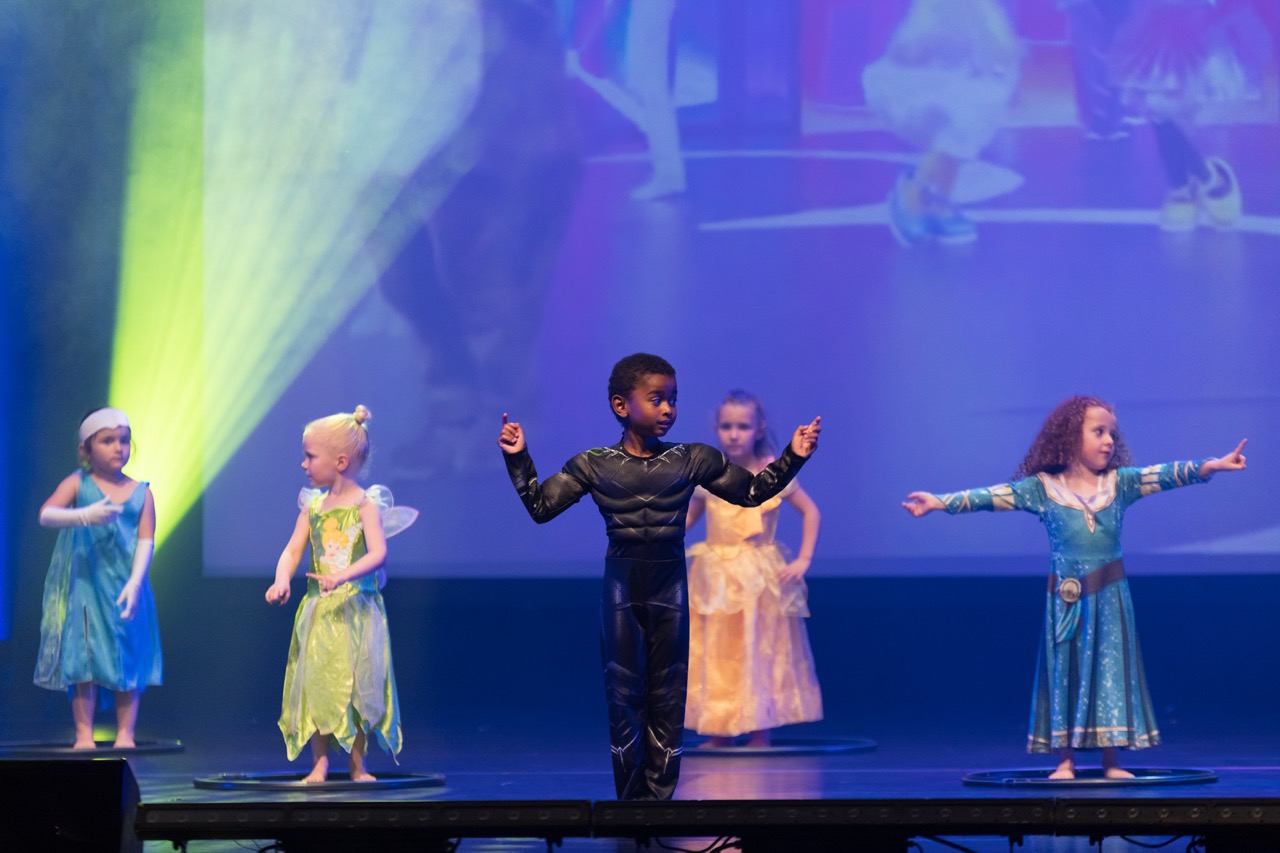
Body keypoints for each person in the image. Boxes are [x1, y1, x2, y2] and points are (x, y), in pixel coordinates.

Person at [498, 353, 821, 799]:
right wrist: (519, 458)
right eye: (656, 399)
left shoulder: (693, 459)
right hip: (622, 588)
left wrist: (793, 457)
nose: (668, 409)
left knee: (668, 693)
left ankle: (659, 803)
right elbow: (541, 506)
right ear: (621, 405)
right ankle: (631, 804)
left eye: (673, 399)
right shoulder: (594, 463)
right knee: (623, 692)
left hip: (670, 587)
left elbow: (751, 491)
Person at [903, 396, 1247, 779]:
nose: (1108, 441)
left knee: (1111, 671)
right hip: (1066, 601)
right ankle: (1064, 760)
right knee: (1064, 671)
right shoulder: (1043, 489)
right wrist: (939, 502)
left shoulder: (1120, 483)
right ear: (1070, 437)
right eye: (1098, 432)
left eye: (1112, 433)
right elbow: (991, 496)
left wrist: (1212, 465)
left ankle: (1111, 760)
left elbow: (1164, 474)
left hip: (1111, 597)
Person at [266, 405, 418, 783]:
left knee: (358, 687)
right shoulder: (313, 507)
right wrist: (281, 579)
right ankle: (319, 763)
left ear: (340, 461)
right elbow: (292, 551)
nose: (303, 464)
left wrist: (343, 577)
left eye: (310, 456)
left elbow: (378, 553)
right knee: (318, 683)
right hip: (320, 612)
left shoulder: (365, 505)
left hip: (357, 611)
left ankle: (357, 765)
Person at [684, 390, 823, 748]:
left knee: (758, 649)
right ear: (717, 428)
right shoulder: (709, 474)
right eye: (726, 426)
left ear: (758, 429)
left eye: (743, 427)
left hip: (759, 578)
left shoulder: (774, 472)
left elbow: (810, 511)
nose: (734, 434)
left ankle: (760, 731)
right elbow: (687, 519)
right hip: (716, 577)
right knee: (718, 651)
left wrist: (803, 559)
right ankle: (719, 730)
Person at [34, 407, 161, 749]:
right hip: (87, 585)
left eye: (123, 440)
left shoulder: (141, 491)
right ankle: (84, 734)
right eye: (107, 441)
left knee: (127, 654)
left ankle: (125, 734)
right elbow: (46, 515)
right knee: (84, 656)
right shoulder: (79, 483)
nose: (118, 447)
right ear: (86, 449)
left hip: (125, 585)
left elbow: (146, 540)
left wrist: (136, 582)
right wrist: (85, 515)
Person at [861, 0, 1022, 246]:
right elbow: (910, 49)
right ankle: (912, 194)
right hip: (911, 84)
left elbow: (1002, 53)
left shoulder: (987, 13)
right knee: (965, 118)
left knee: (972, 116)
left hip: (957, 83)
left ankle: (939, 200)